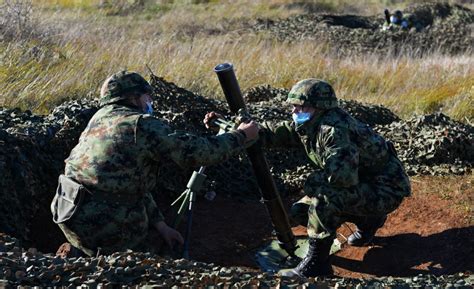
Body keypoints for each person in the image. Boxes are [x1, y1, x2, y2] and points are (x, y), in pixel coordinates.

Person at [51, 70, 259, 257]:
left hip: (69, 212)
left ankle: (82, 252)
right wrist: (241, 136)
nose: (150, 101)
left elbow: (129, 182)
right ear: (134, 98)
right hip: (104, 222)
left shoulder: (99, 118)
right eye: (146, 96)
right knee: (153, 262)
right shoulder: (140, 124)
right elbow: (196, 153)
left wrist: (160, 225)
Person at [256, 79, 410, 277]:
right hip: (365, 184)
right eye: (294, 106)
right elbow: (282, 133)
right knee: (301, 211)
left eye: (301, 107)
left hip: (385, 189)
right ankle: (370, 220)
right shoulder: (315, 121)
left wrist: (313, 182)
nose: (295, 111)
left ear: (319, 108)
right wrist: (245, 132)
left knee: (323, 201)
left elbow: (343, 178)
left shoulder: (335, 131)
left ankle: (316, 265)